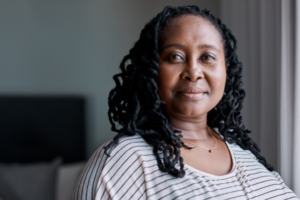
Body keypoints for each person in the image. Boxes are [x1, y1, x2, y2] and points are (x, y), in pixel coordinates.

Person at [74, 5, 299, 200]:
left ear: (226, 71)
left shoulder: (243, 153)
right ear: (151, 70)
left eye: (207, 57)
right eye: (175, 57)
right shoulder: (123, 161)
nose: (193, 72)